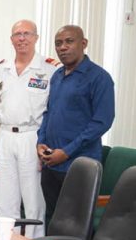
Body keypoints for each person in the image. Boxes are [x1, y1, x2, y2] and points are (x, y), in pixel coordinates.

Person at [0, 20, 57, 238]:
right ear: (11, 39)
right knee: (6, 198)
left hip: (32, 137)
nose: (22, 38)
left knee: (33, 199)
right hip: (4, 136)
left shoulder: (49, 69)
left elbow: (54, 112)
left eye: (26, 33)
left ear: (36, 37)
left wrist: (46, 146)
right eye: (17, 34)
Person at [37, 25, 114, 222]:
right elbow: (49, 112)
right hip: (51, 163)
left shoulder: (99, 78)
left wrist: (67, 151)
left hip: (79, 164)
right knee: (52, 219)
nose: (63, 47)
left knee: (74, 224)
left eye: (69, 41)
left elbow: (102, 122)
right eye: (58, 43)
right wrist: (41, 141)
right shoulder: (57, 76)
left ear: (83, 43)